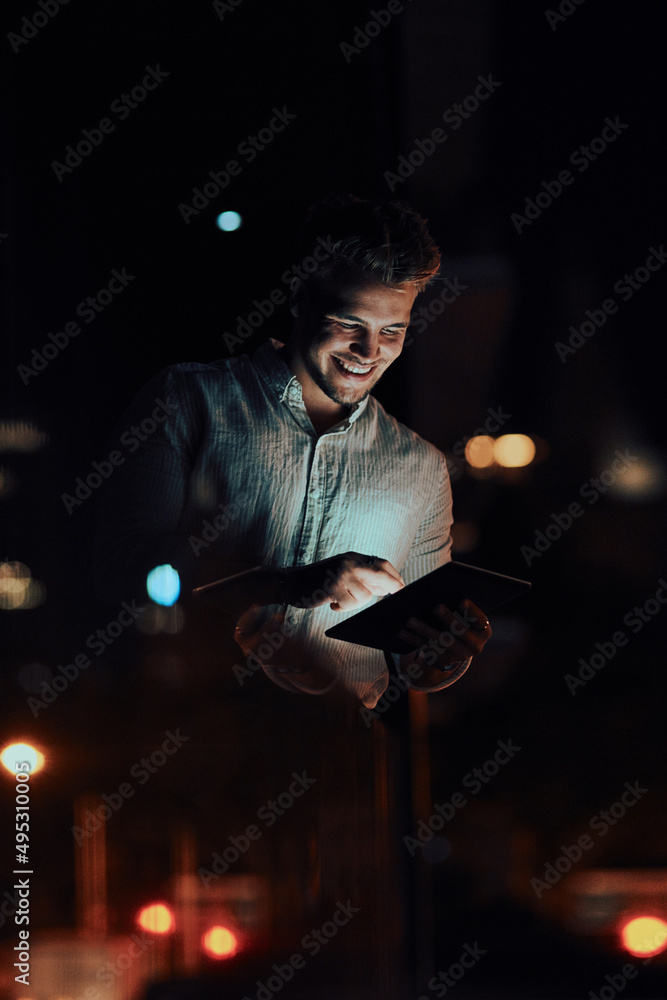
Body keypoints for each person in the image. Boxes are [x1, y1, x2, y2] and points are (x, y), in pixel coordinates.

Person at [93, 194, 491, 708]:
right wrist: (280, 584)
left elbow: (409, 662)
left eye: (392, 332)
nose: (370, 353)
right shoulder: (188, 401)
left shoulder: (422, 468)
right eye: (351, 324)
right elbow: (119, 570)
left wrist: (445, 653)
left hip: (341, 763)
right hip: (185, 739)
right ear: (300, 297)